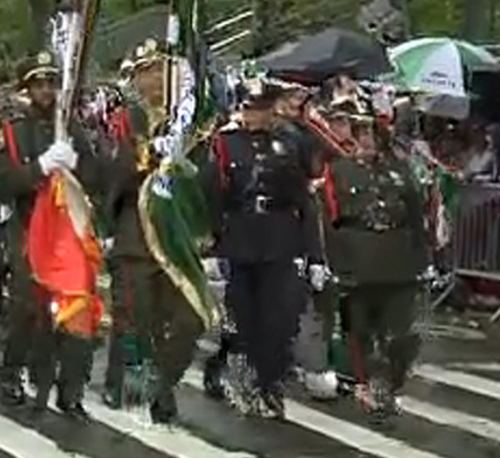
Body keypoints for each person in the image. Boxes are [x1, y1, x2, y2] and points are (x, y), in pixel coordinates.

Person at [0, 50, 99, 421]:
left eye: (51, 83)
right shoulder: (13, 132)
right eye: (38, 83)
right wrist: (39, 167)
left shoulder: (72, 128)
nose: (45, 90)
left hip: (67, 232)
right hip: (28, 228)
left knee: (75, 309)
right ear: (27, 88)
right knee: (27, 306)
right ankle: (12, 372)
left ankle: (71, 390)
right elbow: (2, 183)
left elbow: (97, 177)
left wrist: (77, 163)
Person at [204, 77, 317, 419]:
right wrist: (212, 242)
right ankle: (233, 374)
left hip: (279, 237)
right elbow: (213, 194)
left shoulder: (290, 143)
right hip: (240, 236)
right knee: (242, 317)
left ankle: (269, 386)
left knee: (278, 320)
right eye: (250, 108)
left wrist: (313, 253)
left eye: (263, 109)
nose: (256, 115)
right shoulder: (225, 143)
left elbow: (304, 199)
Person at [102, 46, 202, 423]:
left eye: (162, 70)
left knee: (191, 319)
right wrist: (146, 159)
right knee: (137, 321)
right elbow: (111, 175)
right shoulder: (126, 121)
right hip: (136, 236)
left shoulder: (187, 119)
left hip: (177, 239)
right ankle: (129, 388)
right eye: (147, 72)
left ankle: (161, 383)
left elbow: (204, 176)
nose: (156, 78)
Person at [322, 101, 427, 421]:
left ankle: (392, 383)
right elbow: (329, 219)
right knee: (359, 332)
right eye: (361, 133)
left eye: (372, 133)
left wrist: (423, 261)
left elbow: (416, 217)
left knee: (401, 336)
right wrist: (333, 263)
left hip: (398, 262)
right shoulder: (338, 171)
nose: (367, 140)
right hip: (357, 260)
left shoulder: (401, 170)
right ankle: (365, 385)